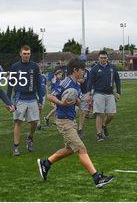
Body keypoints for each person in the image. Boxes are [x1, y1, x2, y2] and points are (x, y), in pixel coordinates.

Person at [37, 58, 115, 188]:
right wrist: (61, 102)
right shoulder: (66, 82)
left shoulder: (77, 85)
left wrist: (80, 101)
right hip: (63, 121)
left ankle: (46, 164)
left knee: (69, 149)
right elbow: (50, 96)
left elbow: (77, 101)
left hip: (70, 120)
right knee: (81, 148)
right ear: (75, 70)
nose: (84, 73)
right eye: (82, 70)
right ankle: (97, 178)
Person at [7, 45, 45, 156]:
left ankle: (30, 138)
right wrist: (8, 101)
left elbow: (38, 84)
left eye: (28, 53)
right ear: (20, 54)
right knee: (18, 122)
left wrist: (41, 101)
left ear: (30, 54)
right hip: (20, 98)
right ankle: (16, 147)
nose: (26, 55)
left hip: (32, 97)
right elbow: (10, 84)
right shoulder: (15, 66)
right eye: (24, 53)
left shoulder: (35, 66)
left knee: (34, 122)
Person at [86, 51, 121, 141]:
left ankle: (104, 126)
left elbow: (117, 80)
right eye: (101, 58)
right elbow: (90, 82)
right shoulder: (94, 69)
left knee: (111, 114)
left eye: (104, 57)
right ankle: (99, 134)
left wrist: (118, 92)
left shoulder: (112, 68)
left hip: (110, 94)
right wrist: (88, 92)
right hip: (98, 93)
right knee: (100, 113)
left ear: (107, 58)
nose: (103, 59)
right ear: (98, 58)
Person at [77, 66, 91, 137]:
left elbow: (83, 80)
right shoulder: (73, 71)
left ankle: (80, 129)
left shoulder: (86, 71)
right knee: (73, 112)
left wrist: (74, 79)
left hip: (84, 92)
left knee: (83, 112)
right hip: (74, 93)